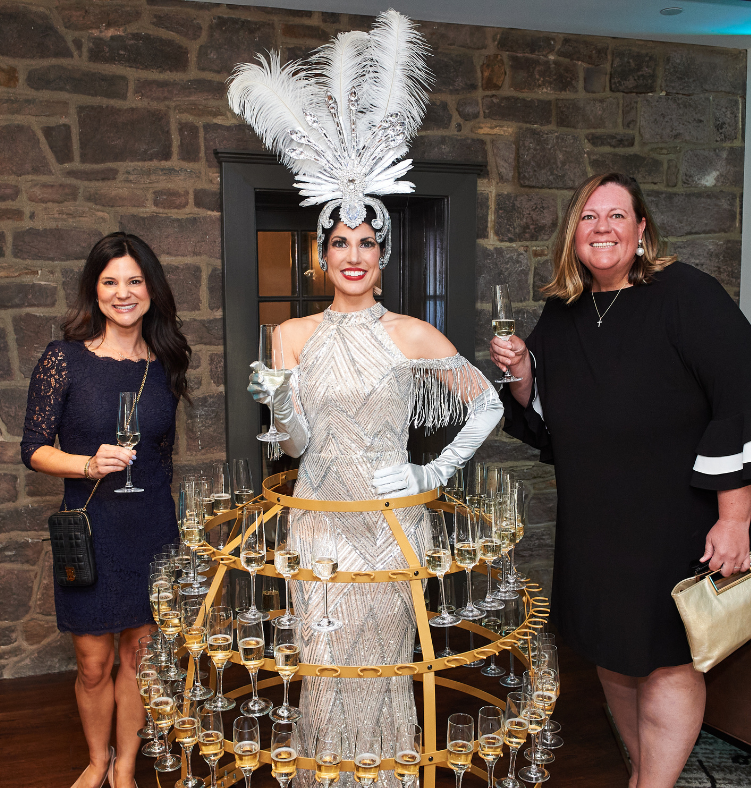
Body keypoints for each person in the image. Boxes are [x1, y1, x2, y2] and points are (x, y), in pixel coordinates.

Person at [230, 12, 503, 785]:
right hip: (318, 522)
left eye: (367, 241)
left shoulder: (416, 335)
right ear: (322, 256)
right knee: (323, 670)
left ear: (383, 254)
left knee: (384, 667)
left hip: (391, 525)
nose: (353, 255)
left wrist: (430, 475)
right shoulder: (287, 336)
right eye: (339, 242)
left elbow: (485, 406)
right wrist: (279, 405)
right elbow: (293, 448)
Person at [490, 172, 751, 788]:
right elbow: (545, 410)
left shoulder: (688, 296)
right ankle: (644, 775)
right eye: (590, 217)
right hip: (597, 520)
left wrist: (734, 520)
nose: (603, 228)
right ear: (573, 234)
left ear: (642, 229)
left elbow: (738, 401)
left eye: (617, 216)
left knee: (670, 657)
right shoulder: (565, 310)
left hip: (678, 519)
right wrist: (521, 371)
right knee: (613, 656)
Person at [21, 232, 191, 788]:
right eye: (111, 281)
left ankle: (124, 765)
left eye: (135, 281)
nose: (124, 293)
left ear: (151, 289)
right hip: (90, 530)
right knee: (94, 663)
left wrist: (170, 531)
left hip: (149, 529)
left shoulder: (165, 360)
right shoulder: (64, 360)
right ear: (94, 291)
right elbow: (34, 450)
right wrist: (89, 466)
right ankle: (96, 761)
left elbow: (162, 456)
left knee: (139, 658)